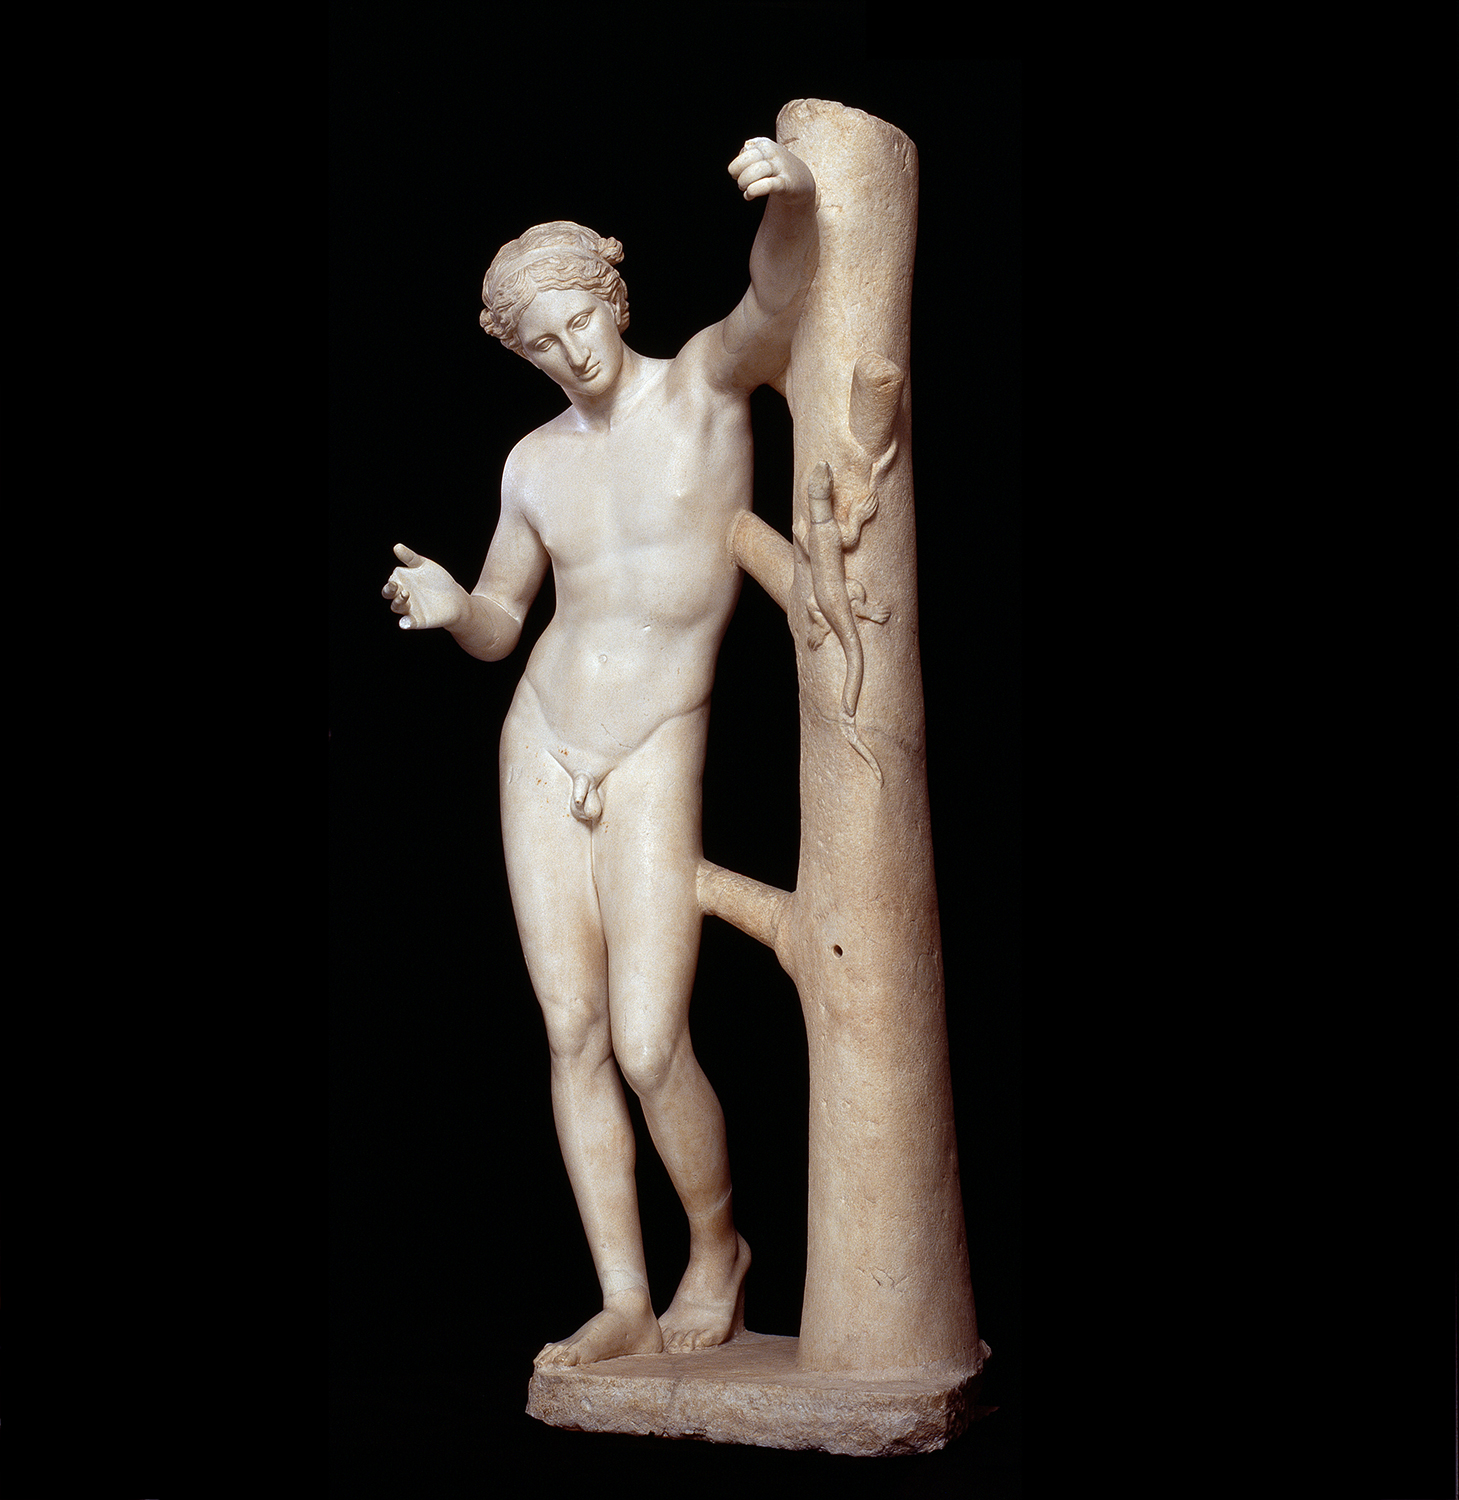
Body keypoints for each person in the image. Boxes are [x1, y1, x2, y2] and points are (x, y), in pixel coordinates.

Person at [381, 137, 817, 1367]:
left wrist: (794, 197)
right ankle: (624, 1293)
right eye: (540, 344)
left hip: (655, 742)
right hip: (541, 736)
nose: (570, 353)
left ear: (612, 300)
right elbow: (503, 622)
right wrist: (454, 608)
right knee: (571, 1031)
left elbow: (778, 297)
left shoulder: (703, 390)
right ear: (518, 353)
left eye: (579, 322)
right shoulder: (532, 463)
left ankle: (717, 1248)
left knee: (647, 1038)